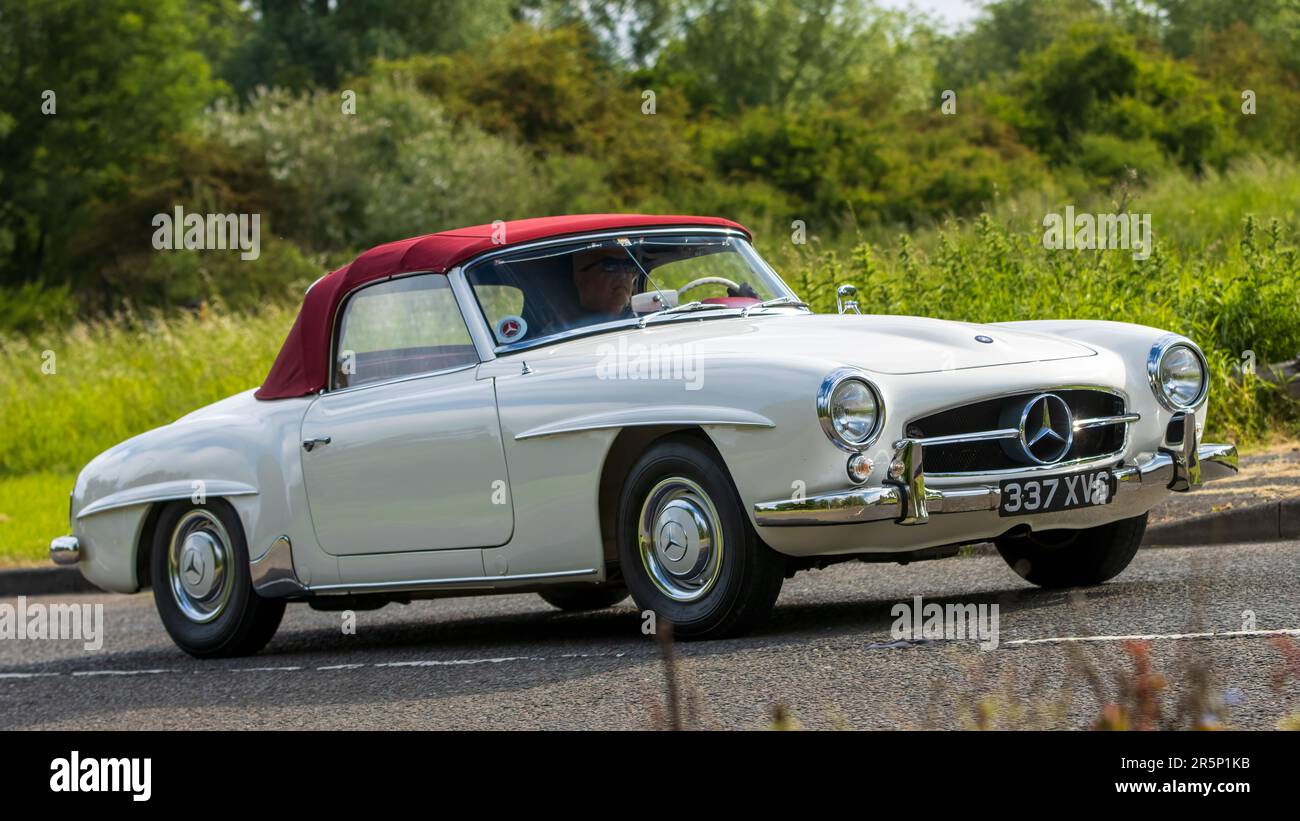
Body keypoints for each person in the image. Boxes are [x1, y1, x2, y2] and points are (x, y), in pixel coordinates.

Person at [570, 247, 639, 323]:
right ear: (581, 277)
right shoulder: (565, 328)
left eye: (628, 265)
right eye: (611, 265)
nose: (623, 275)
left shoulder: (642, 321)